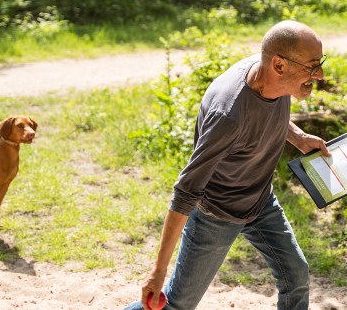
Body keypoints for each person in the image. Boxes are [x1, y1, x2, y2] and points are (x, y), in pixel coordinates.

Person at [125, 20, 331, 310]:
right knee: (176, 305)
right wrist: (157, 272)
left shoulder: (271, 77)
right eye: (312, 66)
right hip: (216, 214)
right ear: (279, 65)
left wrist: (298, 137)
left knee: (296, 277)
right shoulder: (228, 115)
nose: (319, 74)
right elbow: (185, 191)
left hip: (260, 201)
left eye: (319, 63)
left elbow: (264, 112)